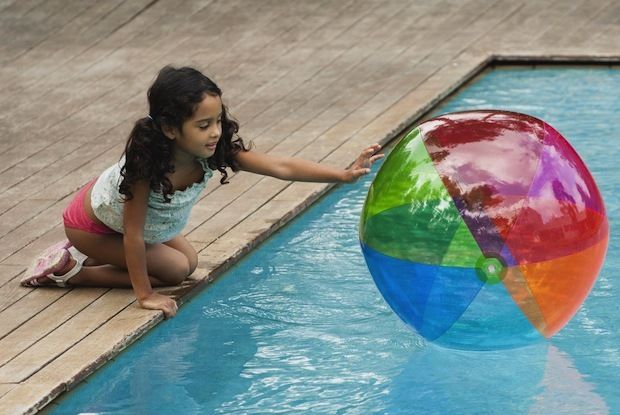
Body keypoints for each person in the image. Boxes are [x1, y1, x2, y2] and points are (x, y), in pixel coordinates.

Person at [21, 65, 383, 318]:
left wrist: (343, 174)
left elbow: (280, 167)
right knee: (176, 271)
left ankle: (96, 261)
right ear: (169, 129)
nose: (215, 132)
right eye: (203, 125)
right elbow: (132, 234)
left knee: (190, 263)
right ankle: (70, 272)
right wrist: (144, 295)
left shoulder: (213, 152)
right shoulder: (147, 166)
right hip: (91, 227)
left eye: (218, 122)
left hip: (129, 224)